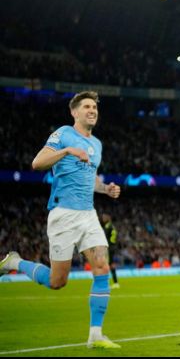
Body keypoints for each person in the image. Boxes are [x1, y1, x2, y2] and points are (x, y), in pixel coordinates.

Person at [0, 91, 122, 349]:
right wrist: (67, 151)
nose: (92, 110)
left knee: (101, 268)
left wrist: (105, 189)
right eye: (87, 107)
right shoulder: (64, 134)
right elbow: (37, 163)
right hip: (63, 214)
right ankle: (15, 261)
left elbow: (91, 180)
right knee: (58, 282)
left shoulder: (97, 145)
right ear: (74, 112)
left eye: (95, 107)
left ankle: (95, 335)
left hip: (88, 214)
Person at [101, 212, 120, 289]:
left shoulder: (108, 226)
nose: (103, 218)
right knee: (109, 264)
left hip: (108, 247)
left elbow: (104, 238)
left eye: (104, 217)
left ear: (108, 217)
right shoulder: (112, 226)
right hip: (111, 247)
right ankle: (115, 283)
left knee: (108, 265)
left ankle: (111, 283)